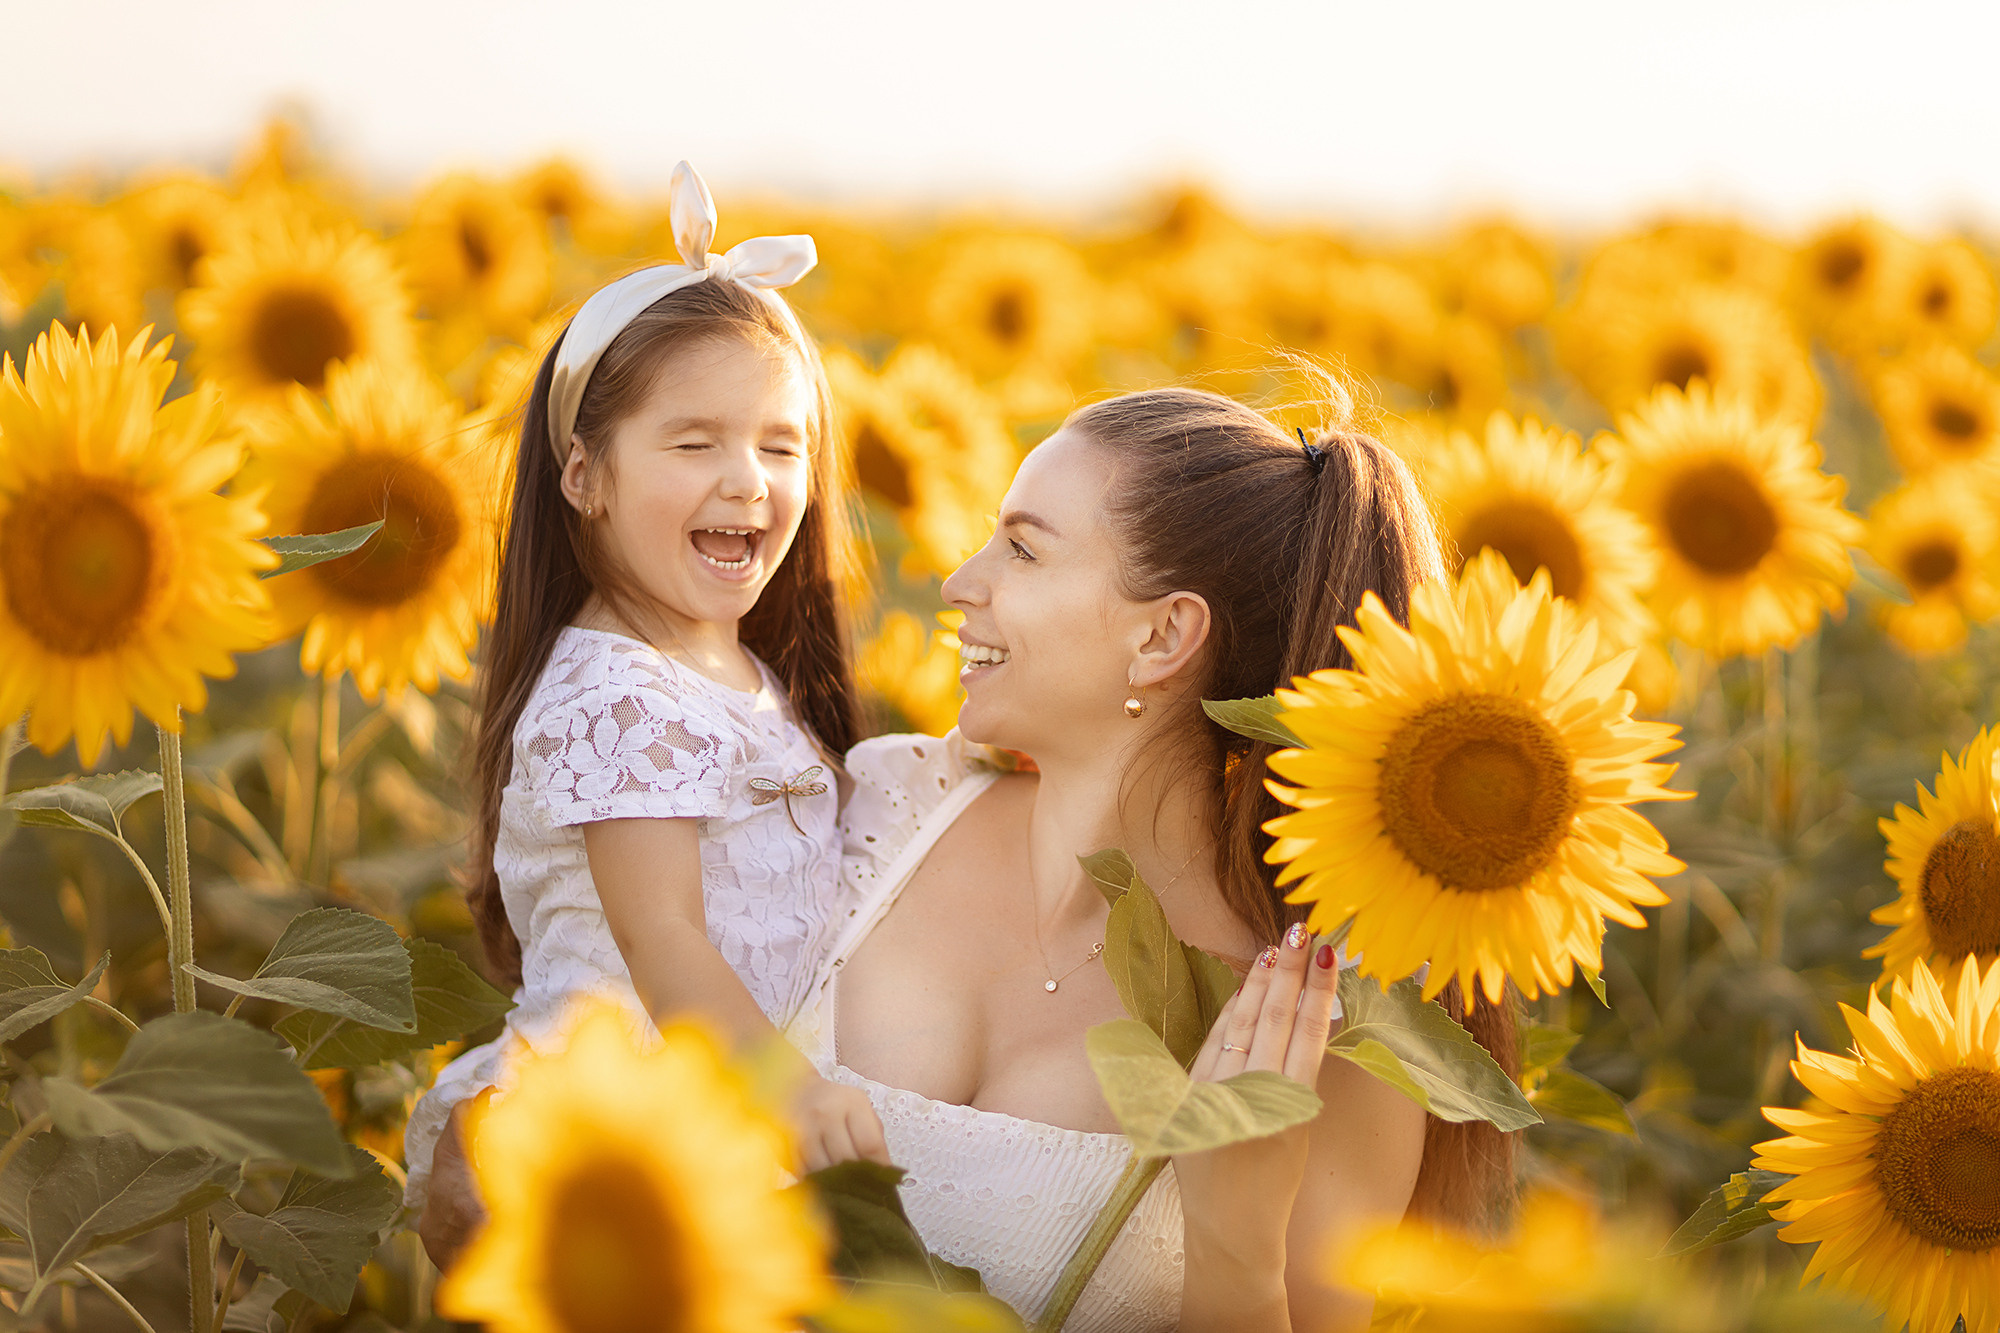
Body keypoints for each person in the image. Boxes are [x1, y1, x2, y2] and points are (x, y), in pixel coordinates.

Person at [425, 386, 1518, 1332]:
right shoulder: (890, 803)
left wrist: (1231, 1243)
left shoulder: (1319, 1019)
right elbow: (610, 1004)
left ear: (1162, 636)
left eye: (1023, 549)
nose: (958, 580)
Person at [401, 162, 887, 1219]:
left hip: (700, 1108)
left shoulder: (739, 672)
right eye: (694, 441)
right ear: (583, 475)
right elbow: (664, 939)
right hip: (598, 1134)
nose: (747, 480)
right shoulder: (617, 695)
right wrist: (786, 1094)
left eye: (778, 443)